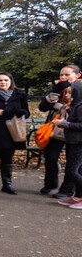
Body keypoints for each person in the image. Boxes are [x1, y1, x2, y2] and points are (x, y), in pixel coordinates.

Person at [38, 65, 81, 196]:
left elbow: (77, 108)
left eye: (67, 75)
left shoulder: (79, 88)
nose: (63, 77)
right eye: (61, 75)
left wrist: (62, 107)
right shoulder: (57, 88)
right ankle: (50, 183)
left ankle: (67, 189)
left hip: (74, 131)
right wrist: (56, 92)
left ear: (78, 75)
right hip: (55, 129)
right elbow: (42, 107)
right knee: (50, 157)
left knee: (72, 162)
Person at [55, 82, 82, 209]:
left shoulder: (81, 106)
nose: (67, 95)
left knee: (73, 171)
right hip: (73, 141)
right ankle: (78, 196)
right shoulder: (76, 105)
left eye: (71, 92)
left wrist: (64, 123)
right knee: (75, 170)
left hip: (79, 143)